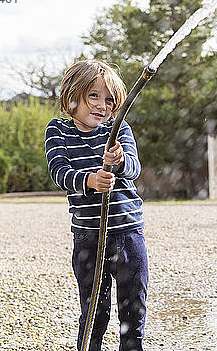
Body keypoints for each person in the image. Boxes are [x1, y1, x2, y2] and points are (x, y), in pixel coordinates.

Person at [45, 60, 148, 351]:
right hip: (89, 237)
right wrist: (90, 180)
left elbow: (134, 168)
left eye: (110, 99)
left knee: (133, 309)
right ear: (72, 96)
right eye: (93, 96)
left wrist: (120, 162)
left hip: (128, 234)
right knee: (94, 313)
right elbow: (59, 172)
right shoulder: (58, 131)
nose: (102, 105)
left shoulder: (119, 129)